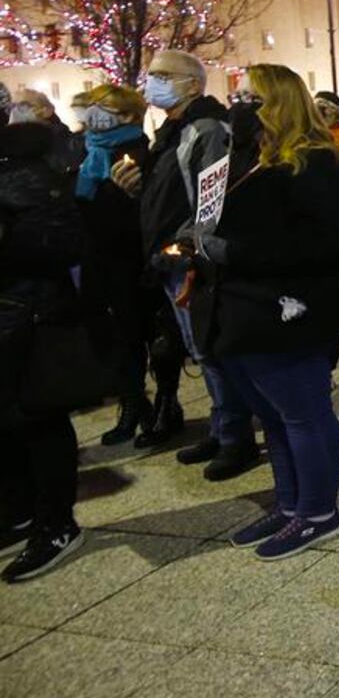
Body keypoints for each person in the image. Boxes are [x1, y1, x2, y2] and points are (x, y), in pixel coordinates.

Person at [190, 64, 339, 560]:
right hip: (243, 307)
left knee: (304, 415)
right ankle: (291, 506)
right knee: (275, 417)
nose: (239, 106)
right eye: (236, 96)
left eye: (252, 98)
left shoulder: (314, 161)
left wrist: (232, 251)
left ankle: (320, 514)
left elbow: (320, 244)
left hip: (291, 311)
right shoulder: (247, 157)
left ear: (281, 101)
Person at [110, 49, 259, 476]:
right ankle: (222, 428)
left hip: (191, 258)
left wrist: (191, 244)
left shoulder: (205, 128)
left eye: (162, 75)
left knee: (210, 351)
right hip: (171, 256)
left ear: (193, 84)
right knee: (202, 351)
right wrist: (137, 188)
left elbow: (210, 199)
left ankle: (235, 438)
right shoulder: (173, 129)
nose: (151, 82)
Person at [0, 111, 89, 582]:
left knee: (38, 420)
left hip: (28, 316)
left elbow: (64, 244)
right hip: (13, 314)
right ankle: (20, 512)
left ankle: (56, 525)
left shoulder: (30, 176)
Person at [74, 85, 184, 447]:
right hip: (100, 261)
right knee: (118, 340)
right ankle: (134, 404)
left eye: (103, 107)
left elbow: (151, 213)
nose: (93, 114)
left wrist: (132, 197)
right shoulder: (88, 153)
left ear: (129, 115)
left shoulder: (143, 154)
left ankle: (167, 405)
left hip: (135, 260)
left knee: (151, 336)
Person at [9, 88, 80, 173]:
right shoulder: (12, 139)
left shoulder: (59, 136)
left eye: (24, 106)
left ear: (46, 110)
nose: (16, 111)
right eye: (13, 106)